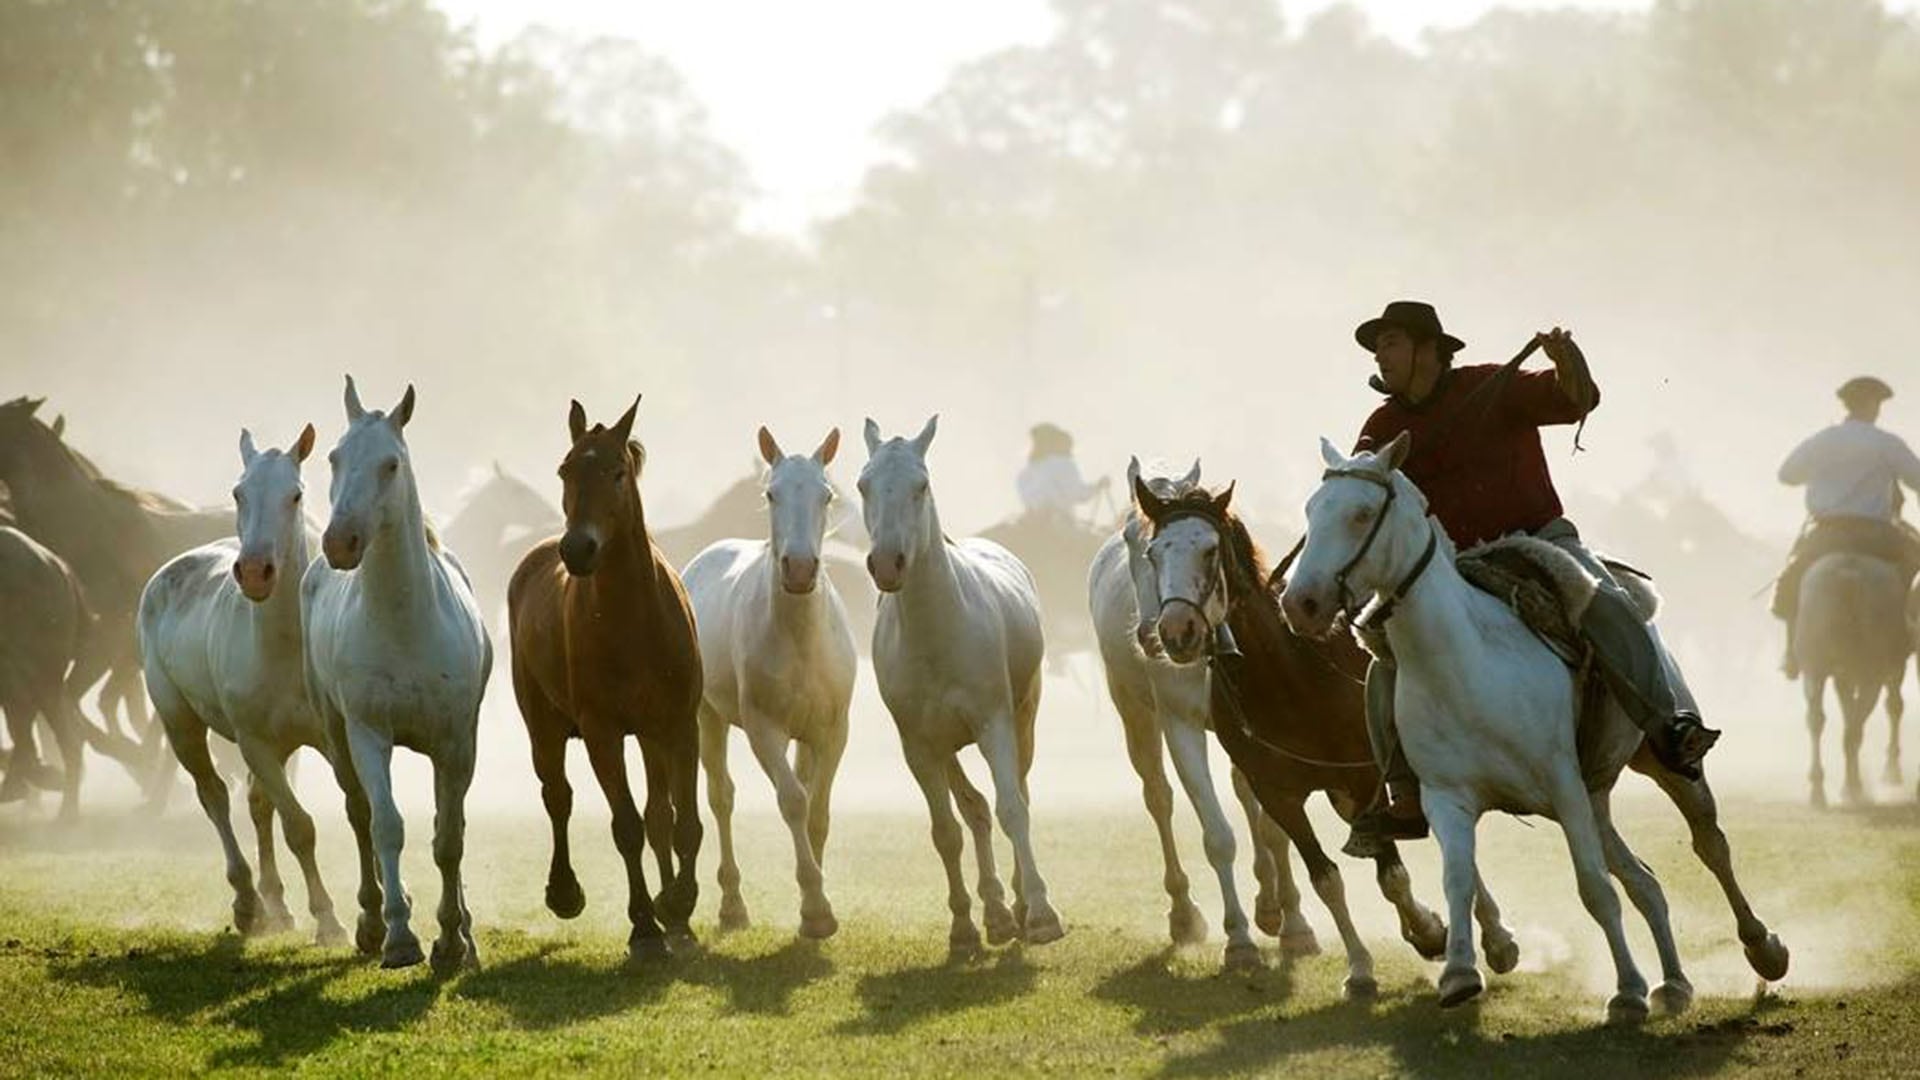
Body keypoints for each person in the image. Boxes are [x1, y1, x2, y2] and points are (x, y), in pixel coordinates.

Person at [1338, 300, 1720, 858]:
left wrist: (1569, 360)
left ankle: (1670, 729)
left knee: (1606, 603)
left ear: (1427, 349)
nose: (1380, 353)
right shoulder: (1381, 426)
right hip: (1456, 567)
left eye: (1391, 340)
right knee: (1386, 659)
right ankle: (1402, 792)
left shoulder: (1492, 385)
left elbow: (1576, 399)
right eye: (1378, 345)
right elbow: (1365, 493)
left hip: (1539, 542)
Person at [1772, 376, 1920, 676]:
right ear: (1872, 406)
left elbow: (1786, 475)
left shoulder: (1822, 440)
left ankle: (1792, 654)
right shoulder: (1886, 443)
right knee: (1914, 573)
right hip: (1877, 535)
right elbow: (1917, 479)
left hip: (1826, 534)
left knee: (1791, 580)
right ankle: (1910, 643)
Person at [1016, 423, 1107, 518]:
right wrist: (1098, 486)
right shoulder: (1063, 464)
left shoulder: (1025, 473)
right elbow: (1077, 493)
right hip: (1058, 523)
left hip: (1031, 521)